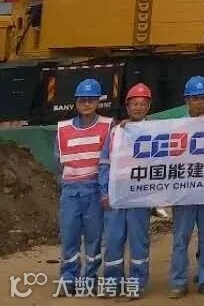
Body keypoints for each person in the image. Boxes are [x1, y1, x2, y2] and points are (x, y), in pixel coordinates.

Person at [56, 77, 112, 295]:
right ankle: (68, 279)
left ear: (98, 101)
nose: (87, 104)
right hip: (70, 190)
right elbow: (58, 161)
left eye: (91, 100)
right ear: (76, 102)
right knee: (69, 237)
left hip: (94, 189)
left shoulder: (108, 126)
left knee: (94, 238)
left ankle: (90, 279)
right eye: (82, 100)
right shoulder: (63, 129)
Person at [100, 83, 153, 298]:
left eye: (142, 104)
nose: (138, 108)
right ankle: (112, 284)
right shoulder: (116, 132)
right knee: (113, 240)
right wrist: (104, 191)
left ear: (148, 107)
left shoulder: (156, 131)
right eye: (134, 104)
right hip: (117, 194)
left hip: (140, 196)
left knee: (139, 242)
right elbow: (105, 163)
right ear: (127, 106)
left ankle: (136, 284)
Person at [170, 76, 204, 298]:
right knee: (181, 238)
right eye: (195, 98)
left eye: (203, 98)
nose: (200, 102)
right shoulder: (175, 125)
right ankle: (178, 282)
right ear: (187, 100)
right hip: (184, 190)